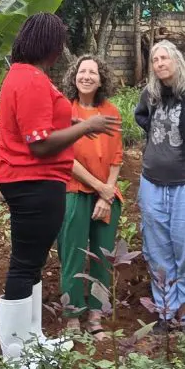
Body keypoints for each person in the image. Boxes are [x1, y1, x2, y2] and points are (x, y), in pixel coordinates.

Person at [0, 13, 120, 366]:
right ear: (47, 44)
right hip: (32, 180)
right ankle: (18, 353)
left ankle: (31, 340)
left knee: (31, 263)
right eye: (59, 42)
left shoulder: (25, 75)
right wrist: (85, 127)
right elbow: (40, 143)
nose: (61, 49)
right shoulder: (31, 79)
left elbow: (39, 123)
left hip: (30, 180)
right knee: (24, 265)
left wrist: (76, 122)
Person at [134, 40, 185, 333]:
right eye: (155, 59)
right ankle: (165, 313)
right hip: (152, 183)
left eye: (164, 57)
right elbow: (140, 115)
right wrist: (156, 133)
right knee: (157, 251)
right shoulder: (151, 94)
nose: (159, 63)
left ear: (176, 61)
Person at [57, 55, 124, 337]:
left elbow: (117, 157)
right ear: (74, 76)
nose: (86, 76)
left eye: (92, 72)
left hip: (106, 197)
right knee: (72, 256)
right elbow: (66, 158)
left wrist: (106, 195)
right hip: (74, 193)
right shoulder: (64, 112)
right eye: (82, 71)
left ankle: (96, 318)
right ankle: (73, 318)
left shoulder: (111, 112)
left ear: (101, 79)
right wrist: (100, 188)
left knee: (102, 257)